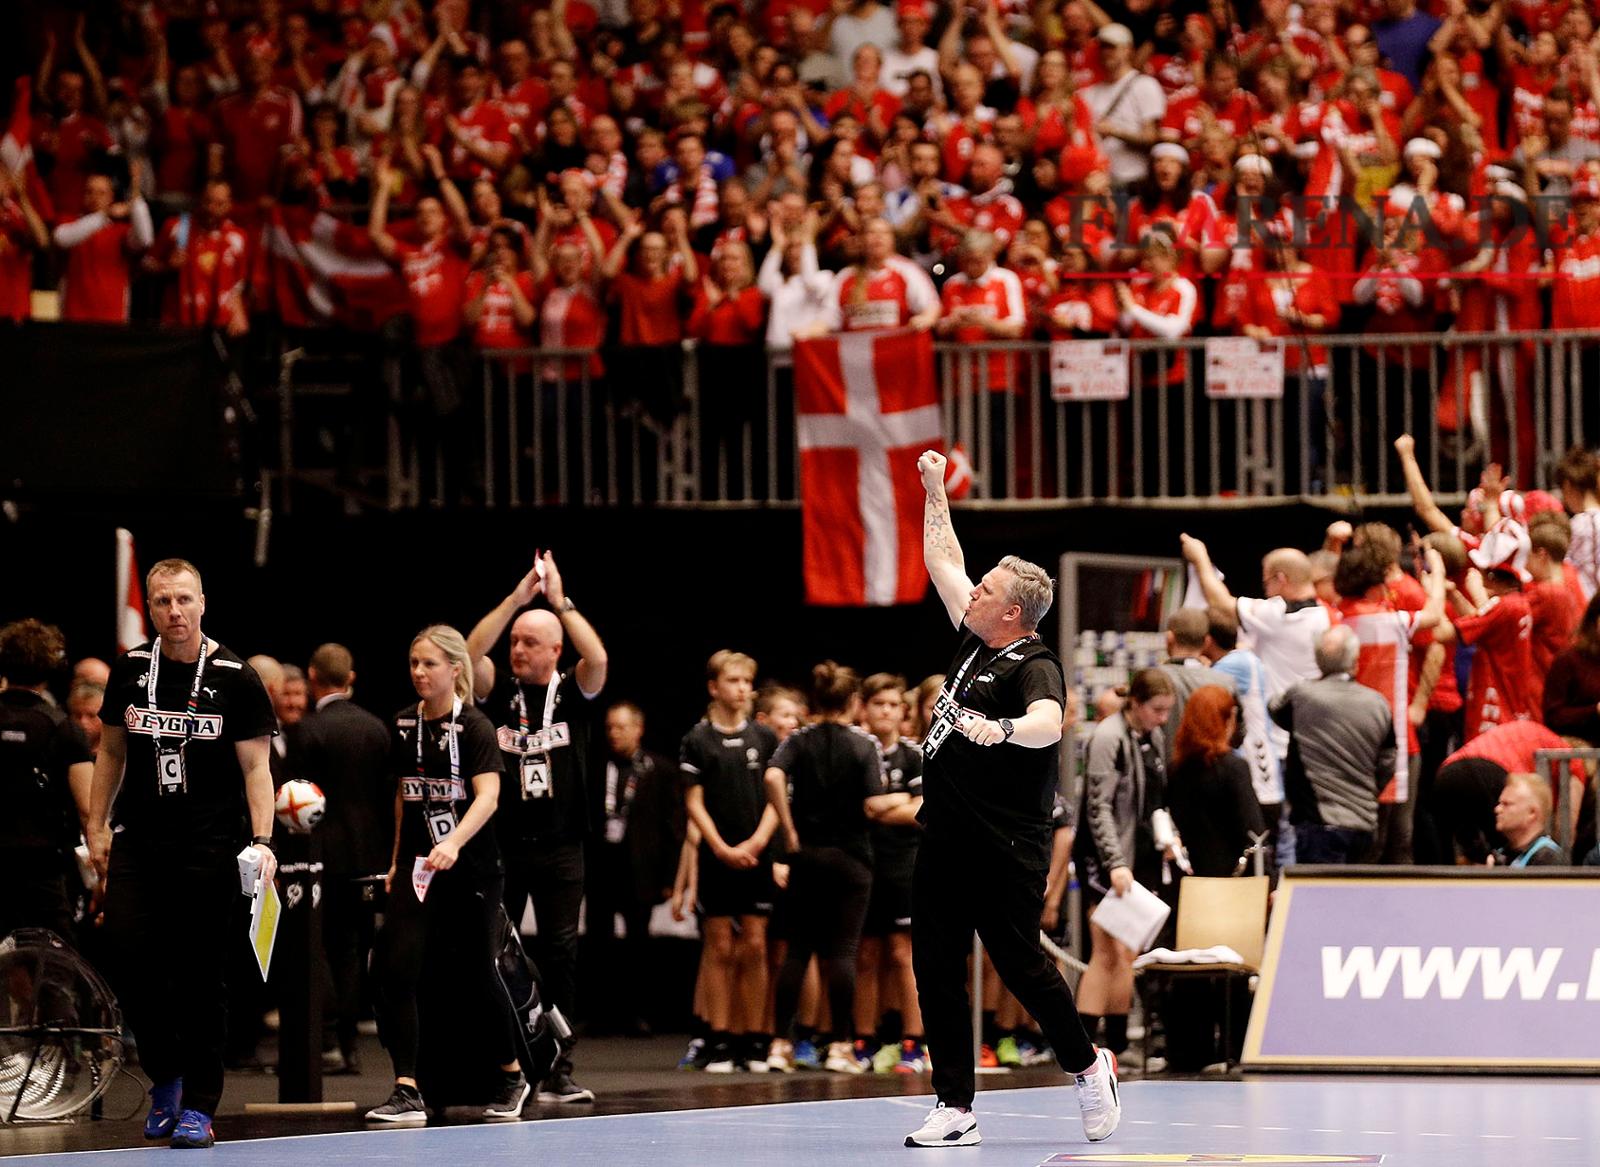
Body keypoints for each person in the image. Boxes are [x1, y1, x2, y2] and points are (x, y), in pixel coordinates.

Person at [907, 449, 1118, 1150]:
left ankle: (1087, 1067)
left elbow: (1049, 724)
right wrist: (935, 488)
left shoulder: (1036, 663)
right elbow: (943, 559)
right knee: (936, 967)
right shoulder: (974, 639)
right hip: (944, 837)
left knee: (1021, 964)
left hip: (1006, 845)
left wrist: (1000, 730)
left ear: (1014, 611)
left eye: (986, 588)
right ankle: (954, 1105)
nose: (972, 592)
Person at [86, 559, 280, 1149]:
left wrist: (263, 841)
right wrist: (96, 824)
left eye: (184, 600)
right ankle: (166, 1074)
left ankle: (199, 1104)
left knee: (200, 976)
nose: (175, 611)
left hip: (210, 845)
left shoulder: (236, 677)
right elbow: (111, 753)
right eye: (163, 601)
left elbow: (256, 768)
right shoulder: (129, 670)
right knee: (127, 955)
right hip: (140, 841)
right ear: (150, 607)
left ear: (202, 603)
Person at [365, 626, 529, 1124]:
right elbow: (404, 796)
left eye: (429, 664)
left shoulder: (475, 727)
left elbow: (488, 797)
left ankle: (512, 1075)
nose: (418, 672)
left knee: (478, 973)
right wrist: (397, 861)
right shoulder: (402, 723)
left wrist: (454, 842)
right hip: (419, 870)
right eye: (413, 663)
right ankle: (407, 1088)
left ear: (455, 669)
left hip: (472, 870)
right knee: (398, 969)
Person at [467, 552, 608, 1104]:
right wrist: (515, 602)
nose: (518, 649)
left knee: (560, 952)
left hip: (562, 846)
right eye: (515, 641)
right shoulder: (499, 690)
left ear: (555, 651)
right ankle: (507, 1064)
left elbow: (598, 656)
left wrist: (559, 601)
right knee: (498, 953)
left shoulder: (572, 692)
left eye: (531, 642)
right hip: (505, 846)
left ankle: (559, 1067)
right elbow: (469, 654)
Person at [764, 662, 887, 1074]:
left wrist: (789, 830)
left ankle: (780, 1044)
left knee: (798, 950)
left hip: (807, 856)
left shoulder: (798, 740)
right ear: (853, 701)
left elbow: (773, 776)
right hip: (851, 859)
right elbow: (874, 802)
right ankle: (839, 1046)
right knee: (843, 951)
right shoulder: (864, 744)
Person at [285, 643, 391, 1076]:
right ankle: (349, 1044)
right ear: (351, 679)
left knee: (319, 948)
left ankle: (326, 1040)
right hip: (367, 856)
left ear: (312, 676)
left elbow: (293, 800)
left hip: (319, 857)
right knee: (352, 950)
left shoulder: (308, 731)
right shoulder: (376, 729)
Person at [680, 650, 780, 1074]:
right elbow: (693, 801)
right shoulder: (697, 739)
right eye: (733, 681)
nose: (742, 689)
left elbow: (776, 798)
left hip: (757, 855)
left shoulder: (765, 737)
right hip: (717, 857)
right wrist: (720, 847)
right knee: (719, 945)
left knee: (755, 945)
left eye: (747, 682)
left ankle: (754, 1041)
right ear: (714, 687)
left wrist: (757, 842)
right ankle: (719, 1040)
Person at [1075, 667, 1175, 1059]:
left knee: (1127, 953)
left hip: (1140, 854)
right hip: (1106, 856)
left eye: (1167, 711)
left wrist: (1167, 836)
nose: (1162, 718)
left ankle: (1116, 1045)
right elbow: (1097, 807)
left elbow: (1155, 798)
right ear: (1135, 703)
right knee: (1106, 950)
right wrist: (1114, 862)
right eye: (1157, 710)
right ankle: (1081, 1046)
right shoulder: (1109, 737)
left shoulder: (1152, 736)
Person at [585, 701, 682, 1037]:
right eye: (610, 727)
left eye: (621, 727)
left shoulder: (660, 769)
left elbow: (673, 827)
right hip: (602, 868)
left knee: (638, 944)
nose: (614, 733)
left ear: (638, 729)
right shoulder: (596, 767)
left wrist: (669, 878)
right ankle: (599, 1013)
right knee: (598, 941)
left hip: (640, 870)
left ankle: (638, 1012)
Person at [1271, 626, 1398, 864]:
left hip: (1319, 825)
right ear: (1355, 661)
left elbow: (1275, 709)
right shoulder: (1378, 704)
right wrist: (1368, 790)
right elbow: (1389, 761)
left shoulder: (1301, 696)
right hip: (1365, 823)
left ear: (1318, 660)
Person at [0, 619, 93, 942]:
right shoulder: (64, 729)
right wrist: (101, 874)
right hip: (44, 871)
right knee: (54, 956)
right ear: (52, 665)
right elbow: (88, 810)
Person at [852, 673, 927, 1074]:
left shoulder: (914, 755)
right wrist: (897, 801)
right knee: (865, 955)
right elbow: (853, 808)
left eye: (894, 705)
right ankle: (863, 1040)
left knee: (902, 953)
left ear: (903, 711)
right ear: (863, 708)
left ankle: (914, 1042)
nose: (886, 711)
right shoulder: (855, 750)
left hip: (903, 865)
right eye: (878, 704)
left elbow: (921, 811)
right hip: (863, 862)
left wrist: (880, 805)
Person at [1166, 685, 1266, 877]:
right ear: (1227, 720)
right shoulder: (1234, 768)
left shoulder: (1175, 769)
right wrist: (1268, 877)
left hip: (1191, 877)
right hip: (1233, 878)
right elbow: (1253, 831)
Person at [1491, 773, 1569, 867]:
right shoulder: (1502, 854)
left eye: (1506, 804)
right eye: (1500, 803)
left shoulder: (1547, 858)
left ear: (1532, 813)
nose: (1497, 809)